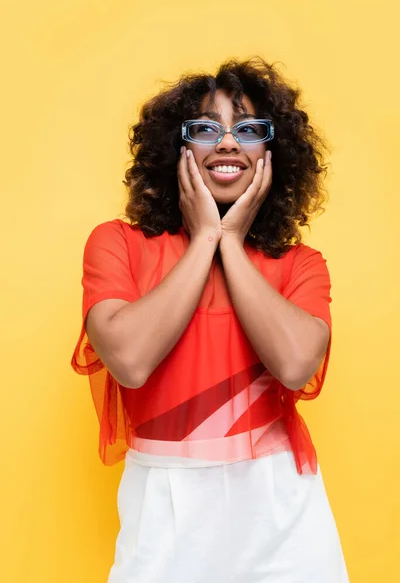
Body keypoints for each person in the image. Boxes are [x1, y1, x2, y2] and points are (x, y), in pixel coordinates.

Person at [71, 57, 350, 582]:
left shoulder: (300, 265)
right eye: (205, 129)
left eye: (248, 130)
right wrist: (204, 238)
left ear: (272, 152)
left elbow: (294, 366)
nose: (227, 143)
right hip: (164, 503)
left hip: (280, 512)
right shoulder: (118, 245)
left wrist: (233, 244)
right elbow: (129, 362)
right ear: (177, 147)